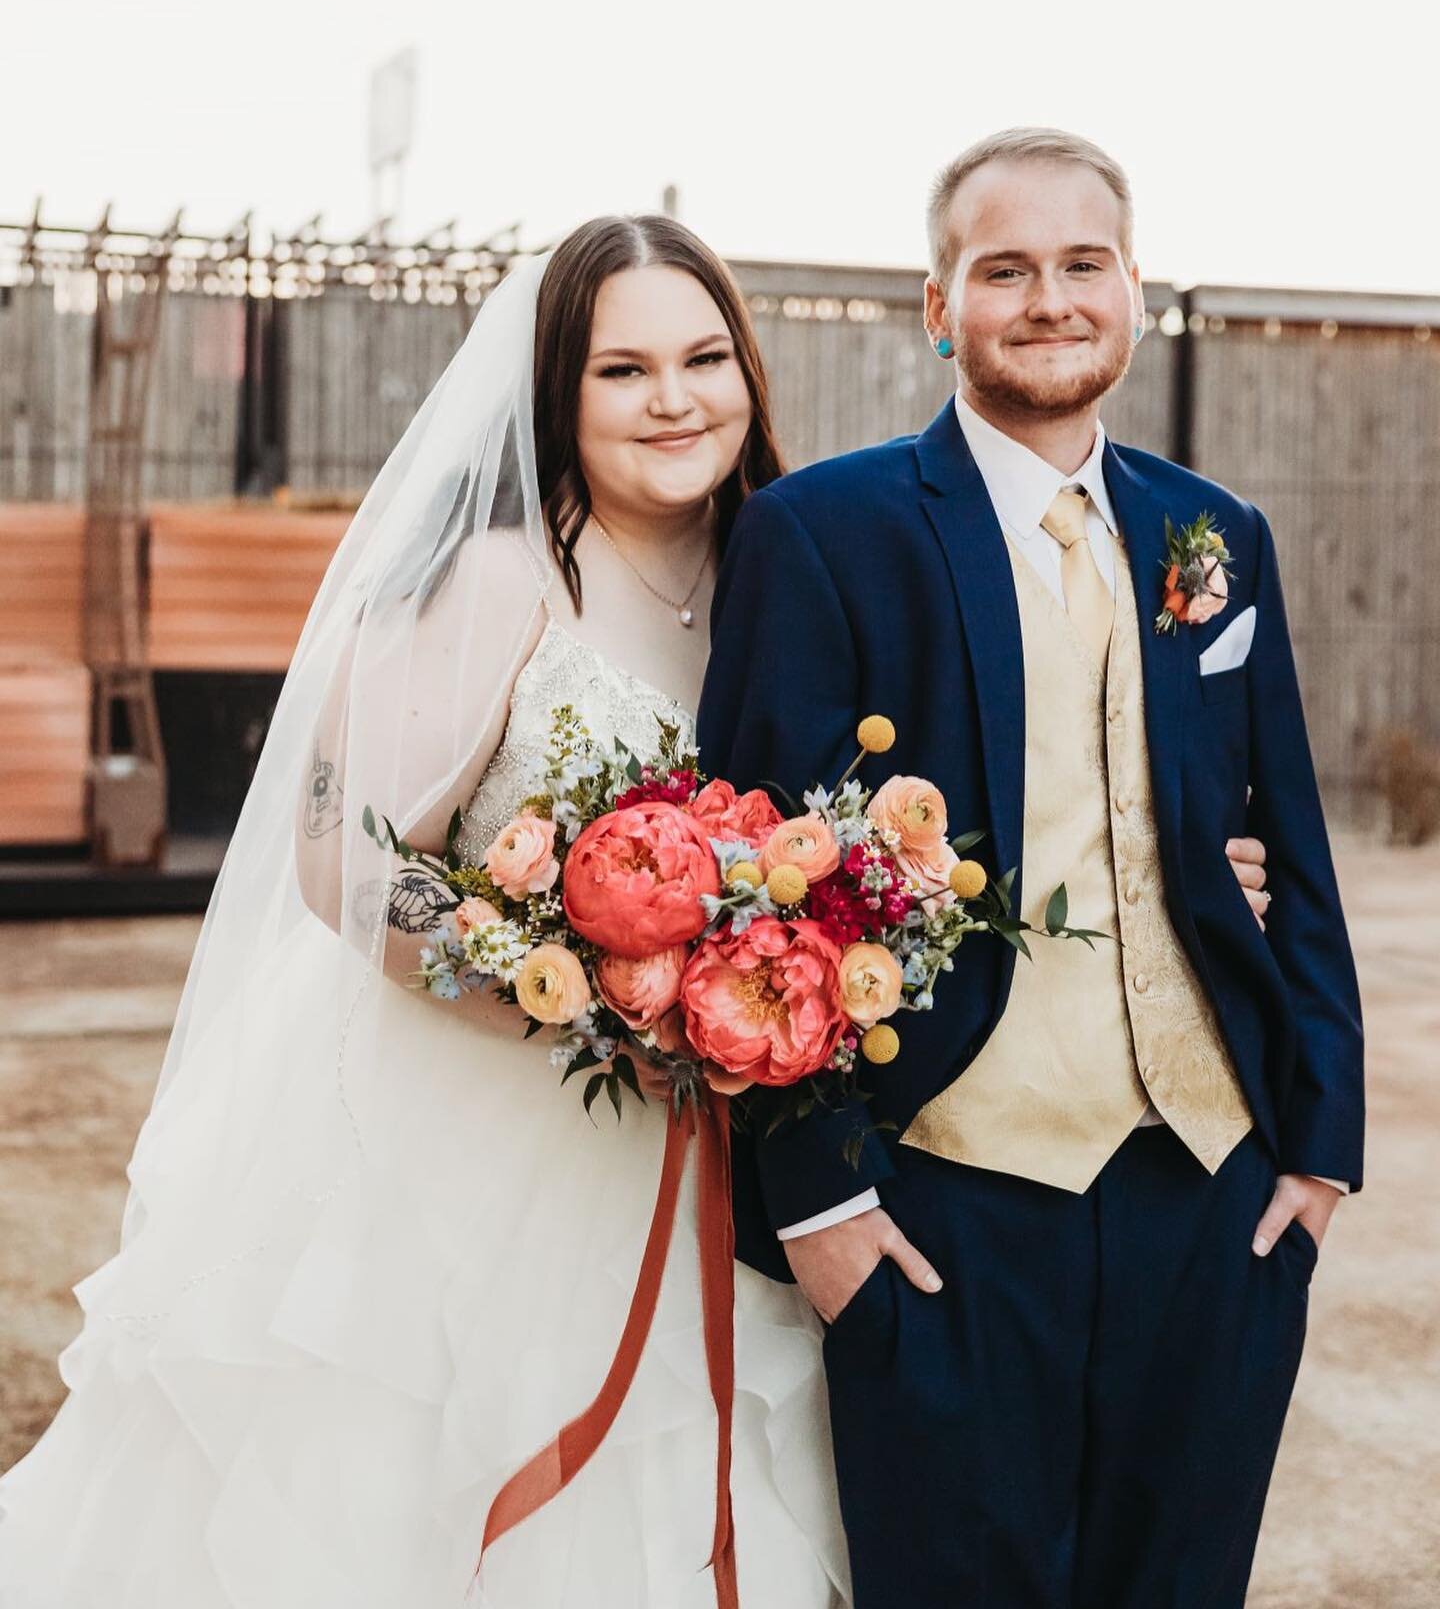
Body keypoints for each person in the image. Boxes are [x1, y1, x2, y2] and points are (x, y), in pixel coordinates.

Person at [0, 218, 850, 1608]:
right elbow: (346, 851)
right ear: (558, 395)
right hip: (471, 1129)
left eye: (705, 358)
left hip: (718, 1147)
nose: (676, 399)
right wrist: (562, 993)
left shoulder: (787, 574)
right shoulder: (498, 578)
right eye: (623, 370)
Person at [697, 129, 1363, 1609]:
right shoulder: (822, 537)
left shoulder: (1215, 538)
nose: (1049, 299)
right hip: (948, 1201)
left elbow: (1290, 843)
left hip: (1213, 1193)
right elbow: (756, 903)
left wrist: (1318, 1151)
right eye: (1004, 268)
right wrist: (820, 1212)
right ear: (939, 304)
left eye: (1083, 265)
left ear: (1135, 292)